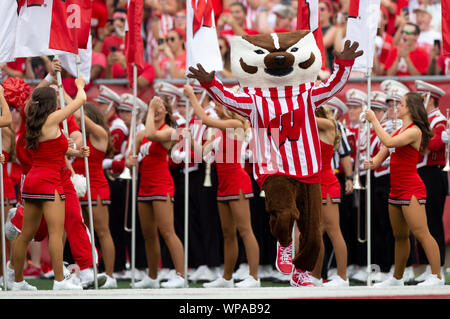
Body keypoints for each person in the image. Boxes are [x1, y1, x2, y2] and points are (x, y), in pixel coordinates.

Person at [11, 76, 87, 291]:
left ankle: (17, 282)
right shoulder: (52, 119)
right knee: (56, 232)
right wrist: (79, 85)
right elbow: (80, 100)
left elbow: (54, 148)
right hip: (49, 180)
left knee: (25, 235)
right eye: (55, 98)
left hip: (33, 181)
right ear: (50, 103)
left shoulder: (33, 119)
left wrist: (75, 151)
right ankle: (60, 281)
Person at [363, 92, 444, 287]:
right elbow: (381, 155)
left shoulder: (414, 131)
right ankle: (397, 278)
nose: (397, 107)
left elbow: (389, 143)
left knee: (422, 233)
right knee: (399, 236)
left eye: (400, 104)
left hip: (411, 188)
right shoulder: (399, 131)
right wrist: (371, 162)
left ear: (410, 108)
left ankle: (437, 277)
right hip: (396, 189)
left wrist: (374, 120)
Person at [185, 84, 261, 288]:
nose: (213, 104)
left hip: (237, 180)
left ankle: (254, 277)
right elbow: (203, 154)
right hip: (223, 183)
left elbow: (206, 119)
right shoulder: (218, 131)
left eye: (216, 101)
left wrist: (192, 97)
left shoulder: (234, 123)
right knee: (228, 233)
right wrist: (189, 138)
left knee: (245, 230)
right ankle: (227, 277)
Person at [127, 95, 186, 289]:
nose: (158, 109)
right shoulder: (139, 135)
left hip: (162, 183)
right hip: (144, 184)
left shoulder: (169, 131)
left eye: (161, 107)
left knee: (167, 232)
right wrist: (130, 162)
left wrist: (151, 110)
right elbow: (129, 159)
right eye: (155, 106)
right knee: (148, 234)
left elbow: (152, 135)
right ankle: (152, 277)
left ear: (167, 112)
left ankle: (181, 275)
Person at [72, 102, 117, 288]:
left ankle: (110, 276)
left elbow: (81, 118)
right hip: (78, 187)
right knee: (84, 234)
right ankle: (89, 272)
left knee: (102, 231)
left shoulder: (99, 135)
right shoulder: (77, 137)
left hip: (96, 187)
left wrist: (74, 104)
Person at [310, 105, 349, 287]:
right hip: (314, 185)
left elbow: (301, 117)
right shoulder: (310, 128)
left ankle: (342, 277)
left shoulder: (327, 124)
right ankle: (316, 277)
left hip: (327, 184)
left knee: (334, 231)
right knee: (317, 234)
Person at [414, 80, 447, 282]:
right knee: (423, 222)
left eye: (422, 99)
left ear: (430, 100)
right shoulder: (426, 121)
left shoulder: (438, 120)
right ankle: (428, 266)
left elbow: (431, 146)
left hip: (433, 173)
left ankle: (439, 268)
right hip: (423, 173)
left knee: (433, 222)